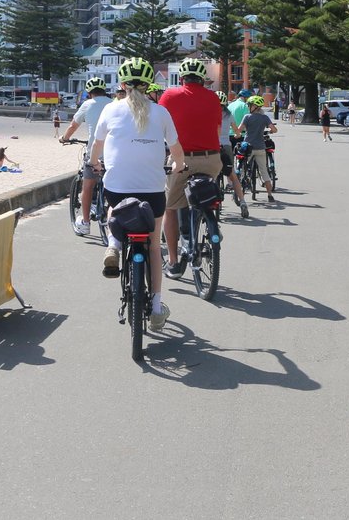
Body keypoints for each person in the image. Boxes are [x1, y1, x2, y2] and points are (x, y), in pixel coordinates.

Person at [89, 57, 185, 332]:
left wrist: (95, 163)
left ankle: (114, 244)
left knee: (113, 203)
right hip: (153, 192)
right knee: (154, 246)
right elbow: (176, 150)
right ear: (148, 85)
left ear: (122, 84)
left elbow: (98, 144)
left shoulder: (110, 109)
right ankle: (156, 307)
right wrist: (177, 167)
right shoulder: (161, 112)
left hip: (118, 189)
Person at [159, 58, 229, 273]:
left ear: (181, 78)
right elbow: (217, 132)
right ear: (203, 80)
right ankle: (208, 220)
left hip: (183, 160)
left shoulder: (170, 95)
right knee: (206, 195)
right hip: (212, 159)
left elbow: (159, 125)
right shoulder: (213, 98)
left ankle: (173, 261)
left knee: (170, 209)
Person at [60, 77, 114, 236]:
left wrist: (64, 138)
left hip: (95, 153)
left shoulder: (87, 104)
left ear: (89, 93)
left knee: (87, 186)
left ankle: (85, 222)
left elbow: (73, 125)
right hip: (112, 154)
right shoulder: (114, 104)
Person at [242, 95, 278, 202]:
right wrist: (270, 131)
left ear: (254, 106)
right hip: (260, 147)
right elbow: (274, 130)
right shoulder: (265, 118)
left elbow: (239, 130)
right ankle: (270, 195)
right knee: (264, 172)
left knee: (244, 170)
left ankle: (242, 192)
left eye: (249, 105)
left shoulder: (247, 117)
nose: (248, 107)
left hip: (248, 147)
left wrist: (237, 134)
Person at [218, 91, 249, 218]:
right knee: (232, 174)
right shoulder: (229, 115)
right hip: (226, 146)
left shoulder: (209, 113)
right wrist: (236, 135)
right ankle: (242, 202)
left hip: (213, 147)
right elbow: (236, 131)